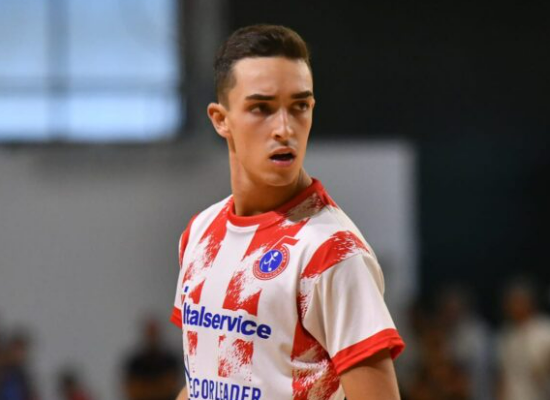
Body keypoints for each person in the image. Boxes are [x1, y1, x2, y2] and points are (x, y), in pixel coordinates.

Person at [170, 24, 405, 400]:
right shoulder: (200, 232)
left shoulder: (333, 253)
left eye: (299, 107)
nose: (284, 128)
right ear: (220, 119)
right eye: (261, 108)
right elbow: (203, 379)